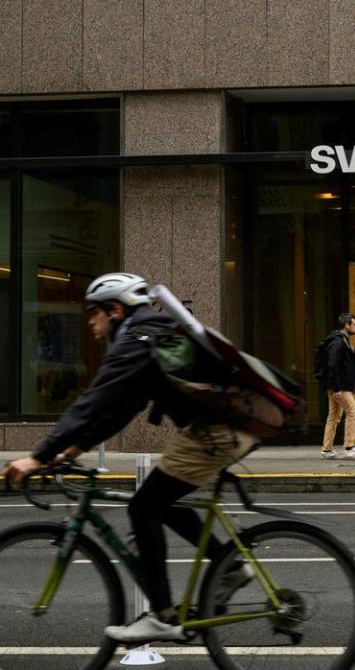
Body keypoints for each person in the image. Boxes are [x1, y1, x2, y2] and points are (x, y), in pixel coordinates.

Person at [3, 272, 259, 645]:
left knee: (143, 508)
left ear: (115, 309)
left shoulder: (137, 339)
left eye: (93, 313)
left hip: (220, 430)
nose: (90, 322)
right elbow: (124, 406)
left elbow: (95, 400)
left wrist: (37, 457)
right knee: (160, 501)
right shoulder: (149, 334)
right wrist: (75, 449)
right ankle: (229, 566)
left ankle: (163, 615)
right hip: (227, 425)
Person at [320, 312, 355, 460]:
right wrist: (337, 388)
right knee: (352, 412)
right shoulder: (338, 342)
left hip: (339, 386)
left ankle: (327, 449)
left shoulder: (342, 341)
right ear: (346, 325)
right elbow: (332, 365)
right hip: (340, 387)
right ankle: (349, 447)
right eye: (354, 324)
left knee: (333, 416)